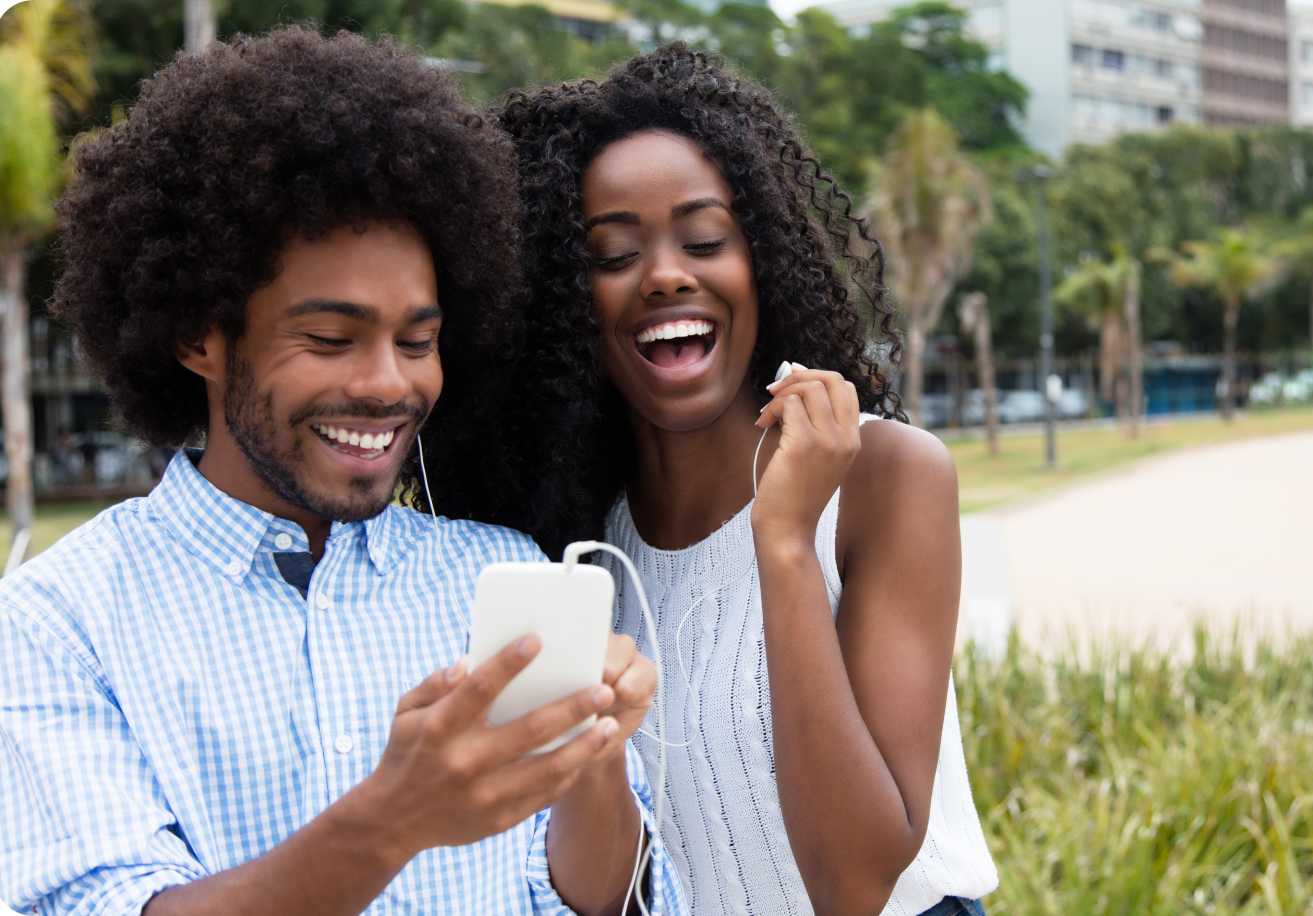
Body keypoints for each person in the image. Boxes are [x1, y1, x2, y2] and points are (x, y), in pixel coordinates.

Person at [0, 28, 684, 916]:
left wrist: (589, 761)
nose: (387, 385)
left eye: (418, 341)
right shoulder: (54, 623)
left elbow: (607, 901)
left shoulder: (492, 573)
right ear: (196, 335)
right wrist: (392, 818)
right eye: (329, 338)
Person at [418, 44, 999, 916]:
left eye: (705, 239)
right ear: (562, 303)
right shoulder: (577, 549)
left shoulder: (883, 479)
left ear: (759, 258)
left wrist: (786, 539)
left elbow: (854, 882)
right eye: (612, 255)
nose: (666, 275)